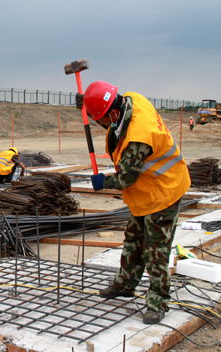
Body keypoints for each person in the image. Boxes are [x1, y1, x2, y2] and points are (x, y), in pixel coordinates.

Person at [77, 81, 191, 324]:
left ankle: (158, 300)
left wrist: (103, 182)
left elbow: (126, 177)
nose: (102, 125)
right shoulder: (130, 99)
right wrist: (88, 106)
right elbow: (108, 115)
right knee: (133, 240)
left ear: (114, 113)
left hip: (164, 191)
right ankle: (125, 285)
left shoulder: (138, 136)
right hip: (145, 191)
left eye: (102, 120)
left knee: (155, 250)